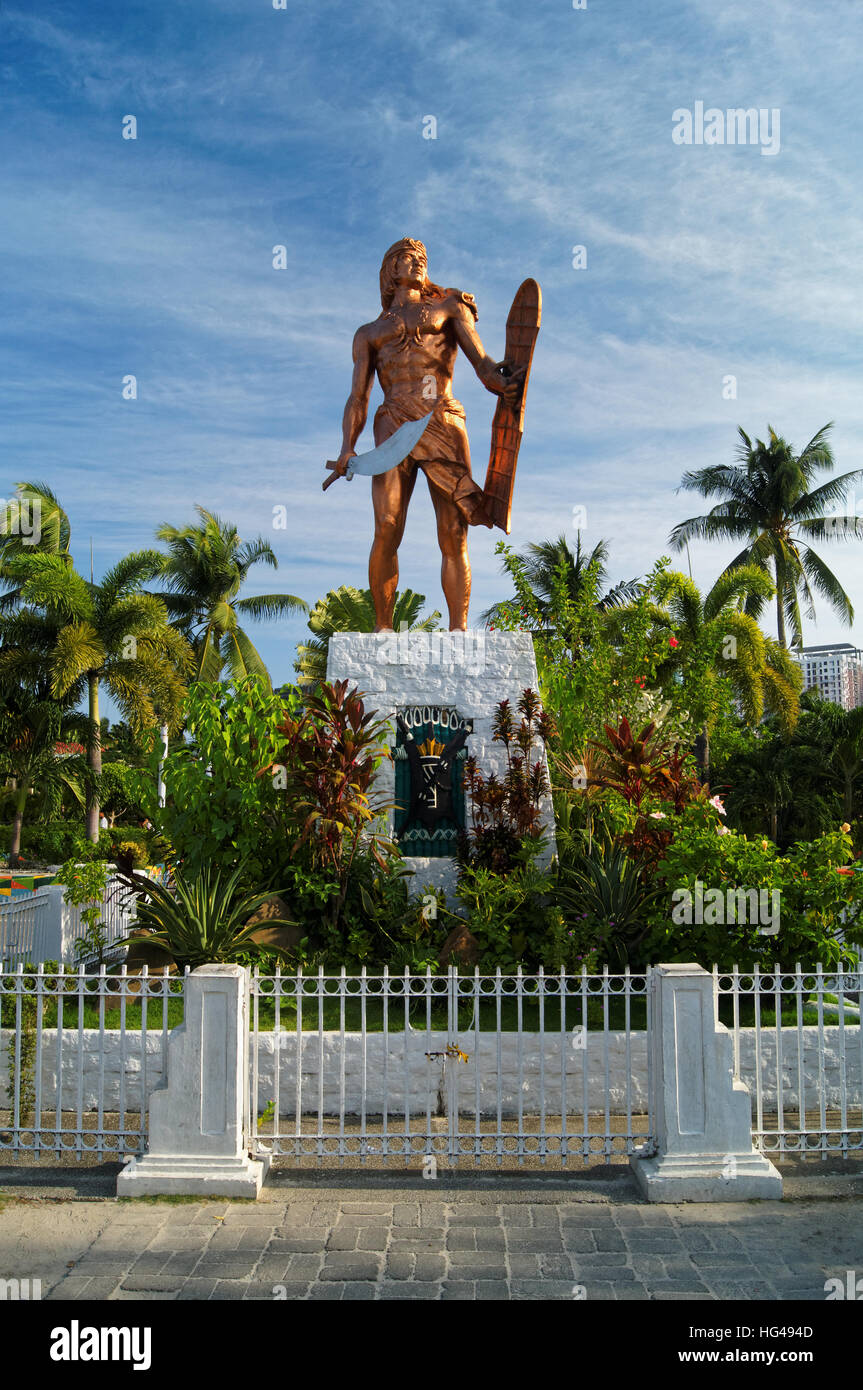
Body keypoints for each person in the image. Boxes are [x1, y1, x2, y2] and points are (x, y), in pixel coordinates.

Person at [330, 238, 524, 631]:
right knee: (386, 526)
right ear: (389, 271)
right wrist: (348, 447)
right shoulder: (368, 332)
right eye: (404, 258)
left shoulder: (449, 307)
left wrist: (501, 382)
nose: (415, 263)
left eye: (420, 258)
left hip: (443, 419)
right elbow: (358, 396)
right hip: (392, 423)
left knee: (454, 531)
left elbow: (482, 364)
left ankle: (458, 630)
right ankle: (383, 629)